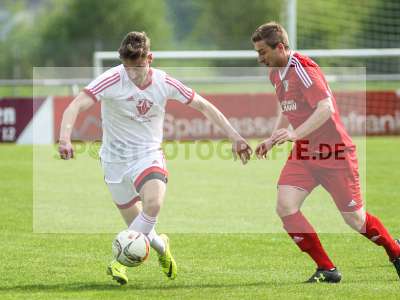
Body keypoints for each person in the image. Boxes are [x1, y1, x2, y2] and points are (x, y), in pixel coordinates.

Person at [58, 31, 252, 285]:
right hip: (114, 162)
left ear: (150, 58)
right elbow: (76, 105)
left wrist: (235, 136)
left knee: (153, 204)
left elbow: (203, 105)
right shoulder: (112, 78)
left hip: (148, 155)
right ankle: (163, 248)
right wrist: (64, 138)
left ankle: (117, 262)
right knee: (141, 230)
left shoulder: (165, 82)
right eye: (128, 68)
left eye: (137, 68)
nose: (132, 74)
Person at [251, 21, 400, 283]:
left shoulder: (304, 68)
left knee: (355, 220)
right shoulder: (275, 73)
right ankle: (327, 269)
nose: (260, 58)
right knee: (285, 206)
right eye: (258, 52)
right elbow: (285, 108)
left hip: (335, 154)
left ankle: (395, 251)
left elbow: (325, 108)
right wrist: (274, 137)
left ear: (281, 47)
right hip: (305, 154)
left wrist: (295, 134)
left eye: (263, 52)